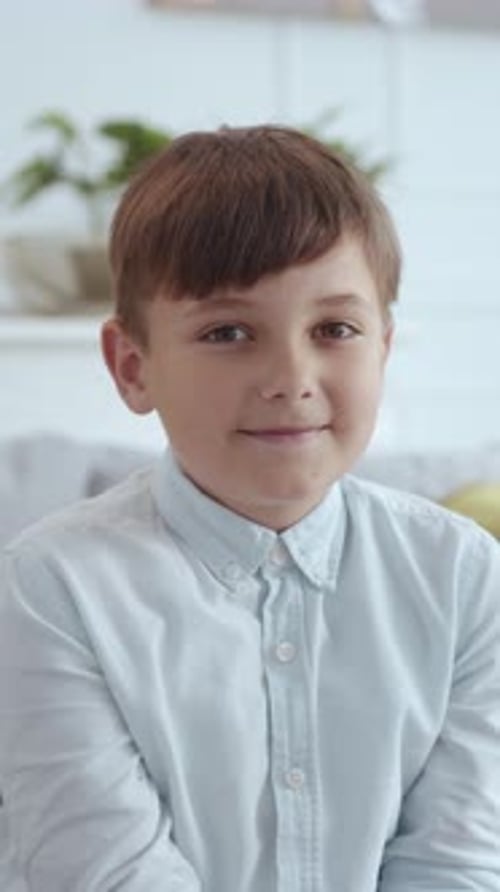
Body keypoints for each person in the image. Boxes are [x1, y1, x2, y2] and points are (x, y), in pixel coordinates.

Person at [1, 125, 499, 892]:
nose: (291, 378)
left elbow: (457, 865)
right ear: (132, 367)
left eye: (334, 329)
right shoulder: (49, 588)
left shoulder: (467, 578)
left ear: (382, 348)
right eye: (227, 331)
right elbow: (111, 874)